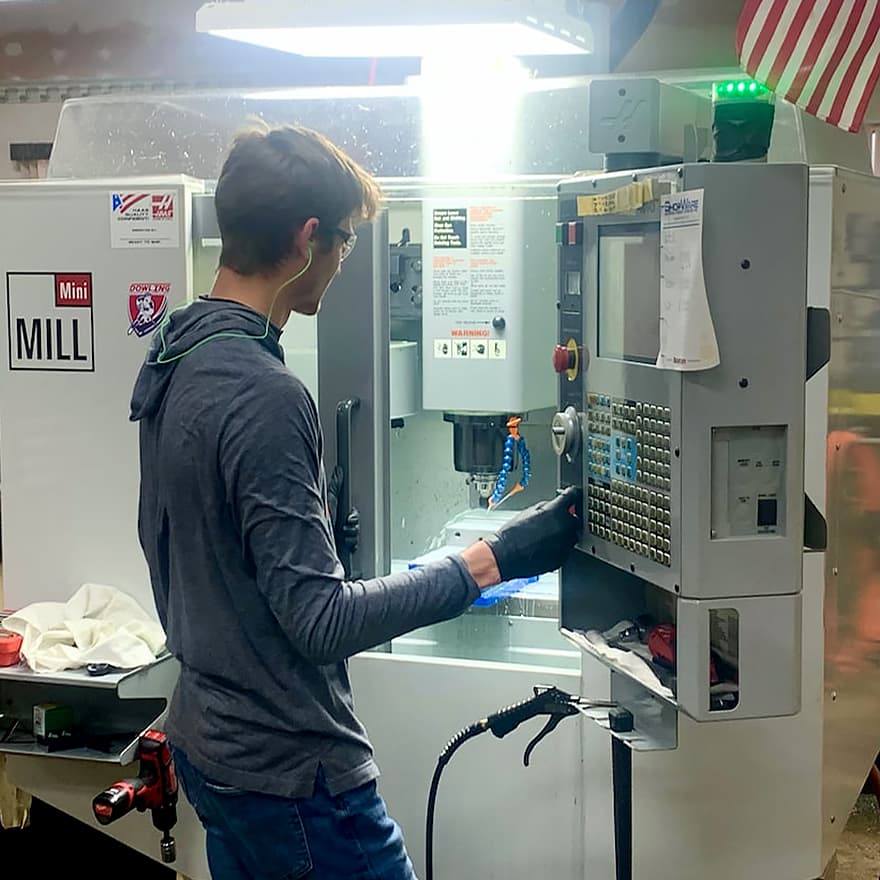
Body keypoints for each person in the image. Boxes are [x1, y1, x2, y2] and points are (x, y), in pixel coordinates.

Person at [130, 123, 580, 880]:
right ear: (307, 240)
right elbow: (321, 620)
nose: (343, 263)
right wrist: (490, 560)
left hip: (211, 748)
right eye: (344, 243)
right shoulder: (265, 395)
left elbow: (166, 545)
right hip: (292, 777)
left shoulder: (174, 353)